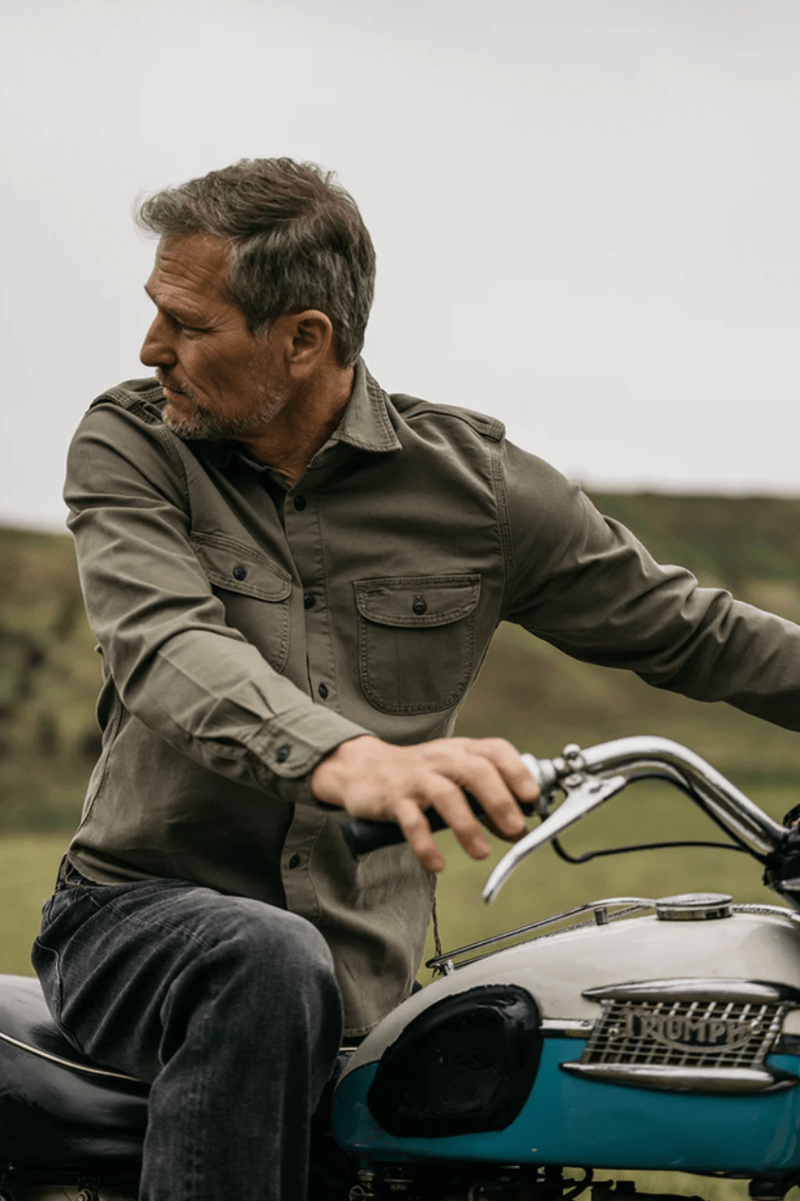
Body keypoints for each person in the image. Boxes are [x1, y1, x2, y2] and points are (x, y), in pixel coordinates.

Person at [33, 157, 800, 1201]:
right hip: (134, 921)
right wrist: (349, 759)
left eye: (191, 324)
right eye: (158, 314)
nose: (152, 347)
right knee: (263, 956)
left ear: (303, 338)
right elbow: (165, 643)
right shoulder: (132, 442)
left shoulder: (472, 486)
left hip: (366, 974)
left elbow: (686, 627)